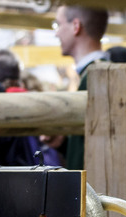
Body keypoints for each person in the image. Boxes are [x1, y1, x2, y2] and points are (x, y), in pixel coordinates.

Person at [48, 5, 109, 169]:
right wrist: (64, 142)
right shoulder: (96, 74)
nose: (56, 33)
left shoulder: (97, 78)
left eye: (58, 25)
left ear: (76, 26)